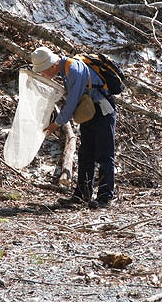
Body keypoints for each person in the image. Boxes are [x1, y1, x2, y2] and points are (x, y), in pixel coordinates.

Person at [30, 46, 117, 209]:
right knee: (86, 154)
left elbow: (70, 104)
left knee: (105, 154)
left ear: (52, 65)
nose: (42, 74)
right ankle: (82, 195)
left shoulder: (74, 70)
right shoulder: (66, 69)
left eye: (42, 70)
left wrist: (56, 124)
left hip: (103, 111)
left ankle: (105, 198)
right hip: (89, 112)